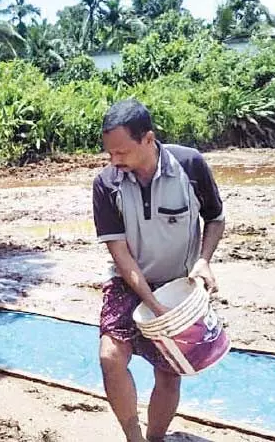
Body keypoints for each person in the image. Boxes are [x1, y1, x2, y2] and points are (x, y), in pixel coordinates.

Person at [92, 99, 225, 442]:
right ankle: (133, 438)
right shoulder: (106, 184)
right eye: (110, 153)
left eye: (122, 152)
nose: (114, 160)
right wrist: (150, 302)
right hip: (127, 281)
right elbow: (120, 254)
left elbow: (215, 218)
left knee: (169, 371)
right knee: (110, 357)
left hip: (178, 285)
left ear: (148, 139)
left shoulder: (190, 166)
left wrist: (204, 260)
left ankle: (155, 439)